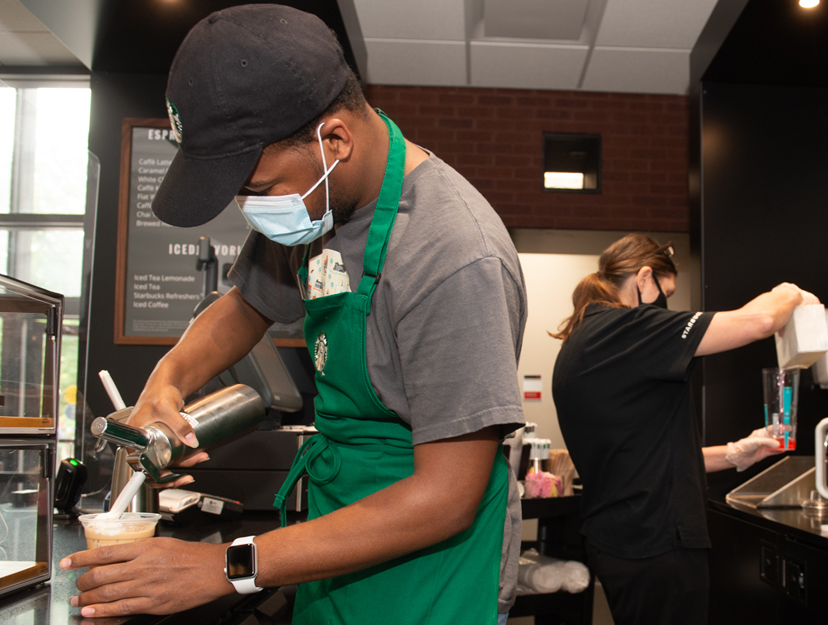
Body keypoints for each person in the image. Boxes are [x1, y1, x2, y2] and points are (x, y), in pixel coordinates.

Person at [63, 6, 527, 624]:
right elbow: (247, 304)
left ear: (333, 140)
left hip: (428, 571)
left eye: (257, 187)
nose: (247, 207)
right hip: (332, 543)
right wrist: (166, 382)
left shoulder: (452, 253)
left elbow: (445, 498)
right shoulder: (321, 198)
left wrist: (224, 568)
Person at [551, 234, 818, 625]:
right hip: (655, 541)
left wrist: (733, 452)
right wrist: (790, 293)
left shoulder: (587, 341)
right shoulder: (625, 329)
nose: (665, 304)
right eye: (665, 291)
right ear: (644, 278)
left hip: (624, 538)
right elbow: (761, 320)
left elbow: (641, 456)